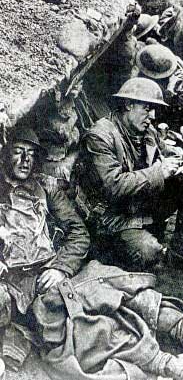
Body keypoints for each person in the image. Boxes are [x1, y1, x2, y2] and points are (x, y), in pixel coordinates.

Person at [84, 77, 183, 281]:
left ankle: (180, 254)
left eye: (154, 110)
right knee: (149, 252)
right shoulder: (100, 136)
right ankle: (133, 257)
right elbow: (113, 186)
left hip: (142, 204)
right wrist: (159, 172)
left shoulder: (146, 130)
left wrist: (174, 164)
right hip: (114, 218)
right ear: (128, 105)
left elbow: (161, 154)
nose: (152, 116)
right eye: (147, 109)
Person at [33, 259, 183, 380]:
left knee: (125, 288)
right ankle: (167, 365)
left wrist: (61, 266)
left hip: (69, 273)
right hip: (38, 297)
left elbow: (77, 232)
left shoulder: (46, 192)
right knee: (95, 327)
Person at [0, 127, 90, 370]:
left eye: (30, 154)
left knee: (88, 310)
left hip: (46, 276)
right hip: (9, 282)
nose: (24, 160)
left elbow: (78, 233)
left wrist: (61, 268)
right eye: (18, 152)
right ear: (5, 154)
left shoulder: (46, 188)